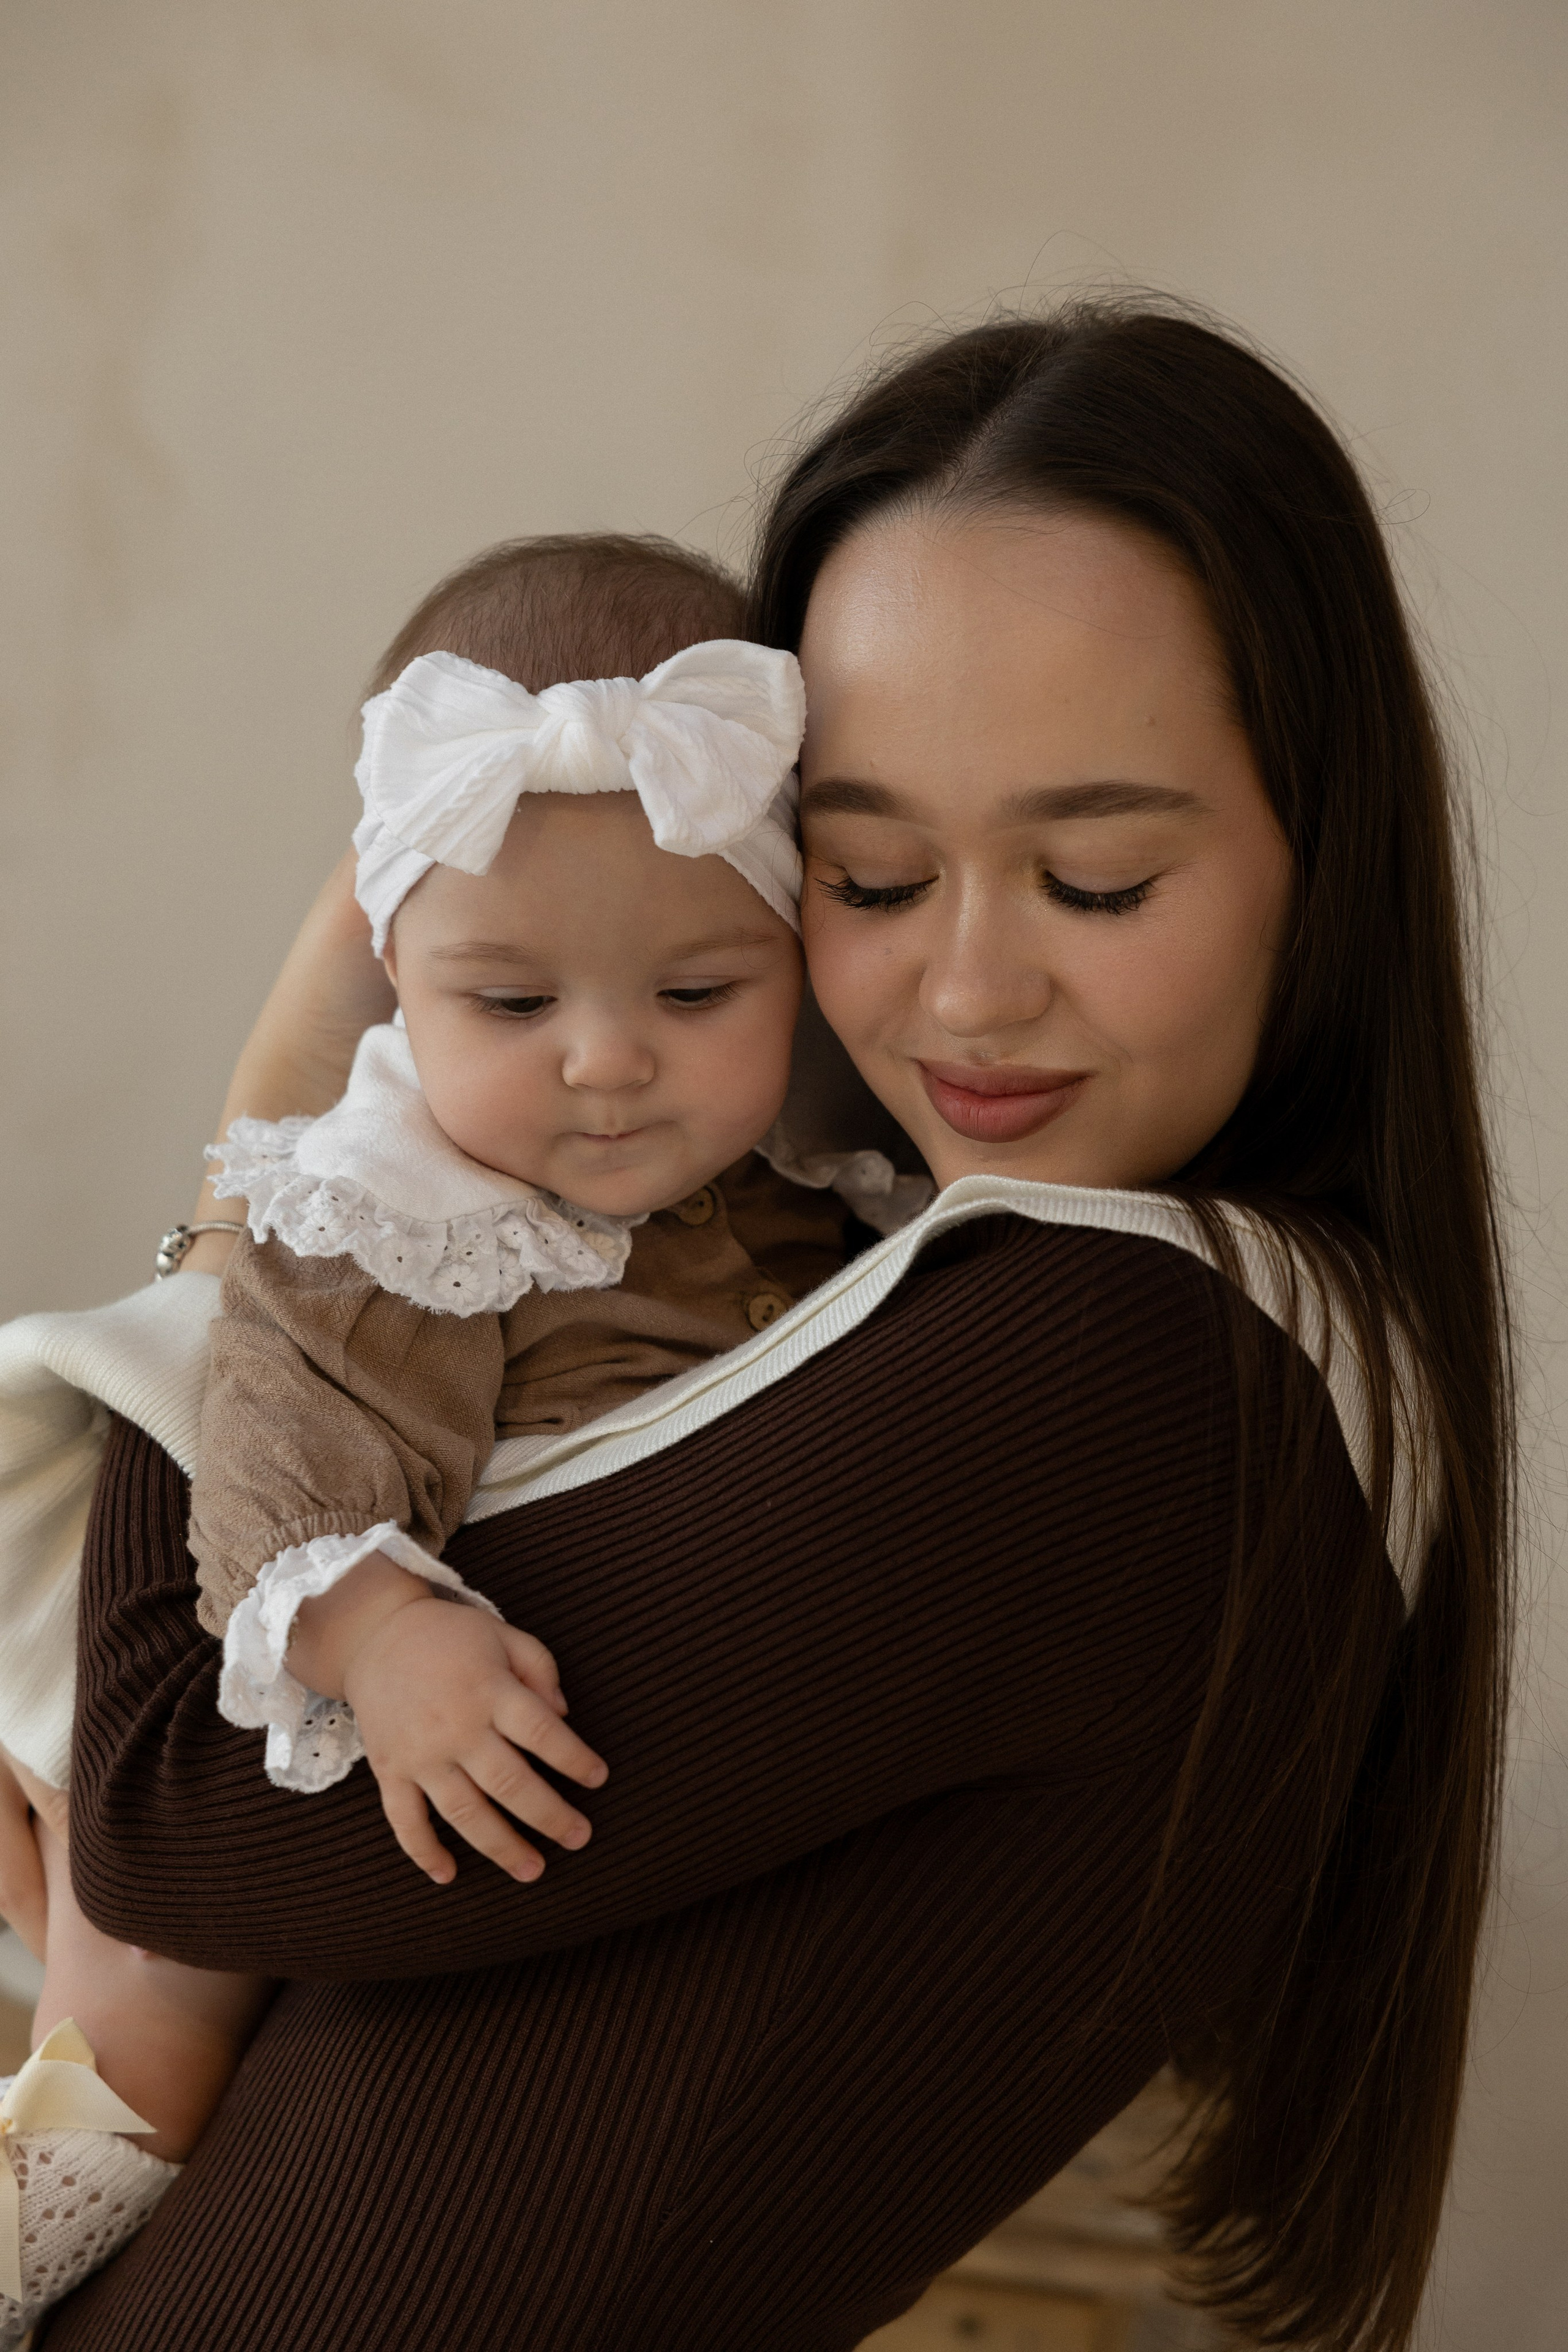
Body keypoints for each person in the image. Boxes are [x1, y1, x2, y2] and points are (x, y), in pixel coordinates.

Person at [0, 302, 1510, 2352]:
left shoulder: (1146, 1375)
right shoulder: (858, 1270)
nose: (967, 999)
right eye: (871, 878)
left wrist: (299, 1091)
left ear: (1318, 861)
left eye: (1094, 879)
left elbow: (182, 1807)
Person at [0, 532, 937, 2343]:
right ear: (390, 971)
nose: (606, 1062)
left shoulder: (801, 1181)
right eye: (510, 1002)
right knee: (155, 2030)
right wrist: (386, 1632)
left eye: (696, 994)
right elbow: (277, 1460)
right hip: (300, 1711)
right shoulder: (388, 1213)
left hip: (548, 1821)